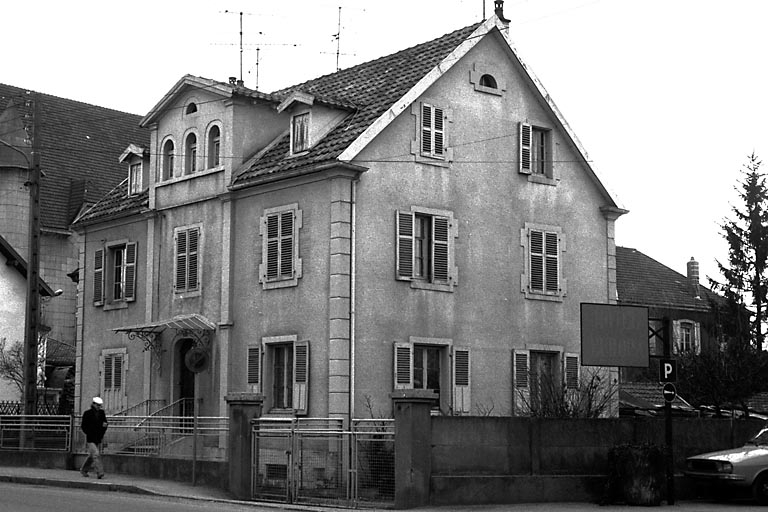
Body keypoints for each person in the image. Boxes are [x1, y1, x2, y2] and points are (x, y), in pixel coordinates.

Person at [80, 396, 108, 479]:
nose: (99, 407)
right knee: (96, 454)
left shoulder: (101, 413)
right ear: (93, 404)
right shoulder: (87, 413)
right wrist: (88, 432)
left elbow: (105, 423)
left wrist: (103, 429)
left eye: (100, 405)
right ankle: (100, 472)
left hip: (98, 437)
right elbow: (83, 426)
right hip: (90, 437)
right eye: (97, 405)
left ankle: (84, 469)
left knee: (92, 455)